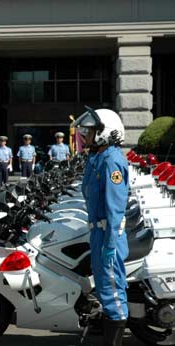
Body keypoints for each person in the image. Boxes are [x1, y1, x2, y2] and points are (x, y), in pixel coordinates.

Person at [74, 107, 129, 346]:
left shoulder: (112, 161)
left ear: (105, 132)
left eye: (91, 131)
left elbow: (115, 208)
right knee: (105, 287)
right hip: (98, 231)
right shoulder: (99, 158)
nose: (85, 135)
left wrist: (110, 244)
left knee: (112, 290)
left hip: (108, 234)